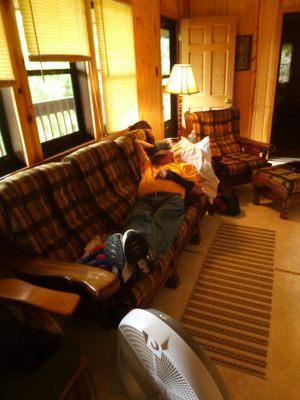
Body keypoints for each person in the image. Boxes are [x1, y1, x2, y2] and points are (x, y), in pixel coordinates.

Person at [104, 140, 203, 284]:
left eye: (162, 155)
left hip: (171, 199)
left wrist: (173, 176)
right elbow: (136, 142)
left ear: (171, 154)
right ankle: (136, 261)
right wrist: (155, 148)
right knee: (137, 221)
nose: (158, 158)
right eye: (156, 156)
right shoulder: (148, 165)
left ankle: (147, 255)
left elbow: (197, 191)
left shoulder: (184, 167)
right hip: (145, 200)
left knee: (163, 221)